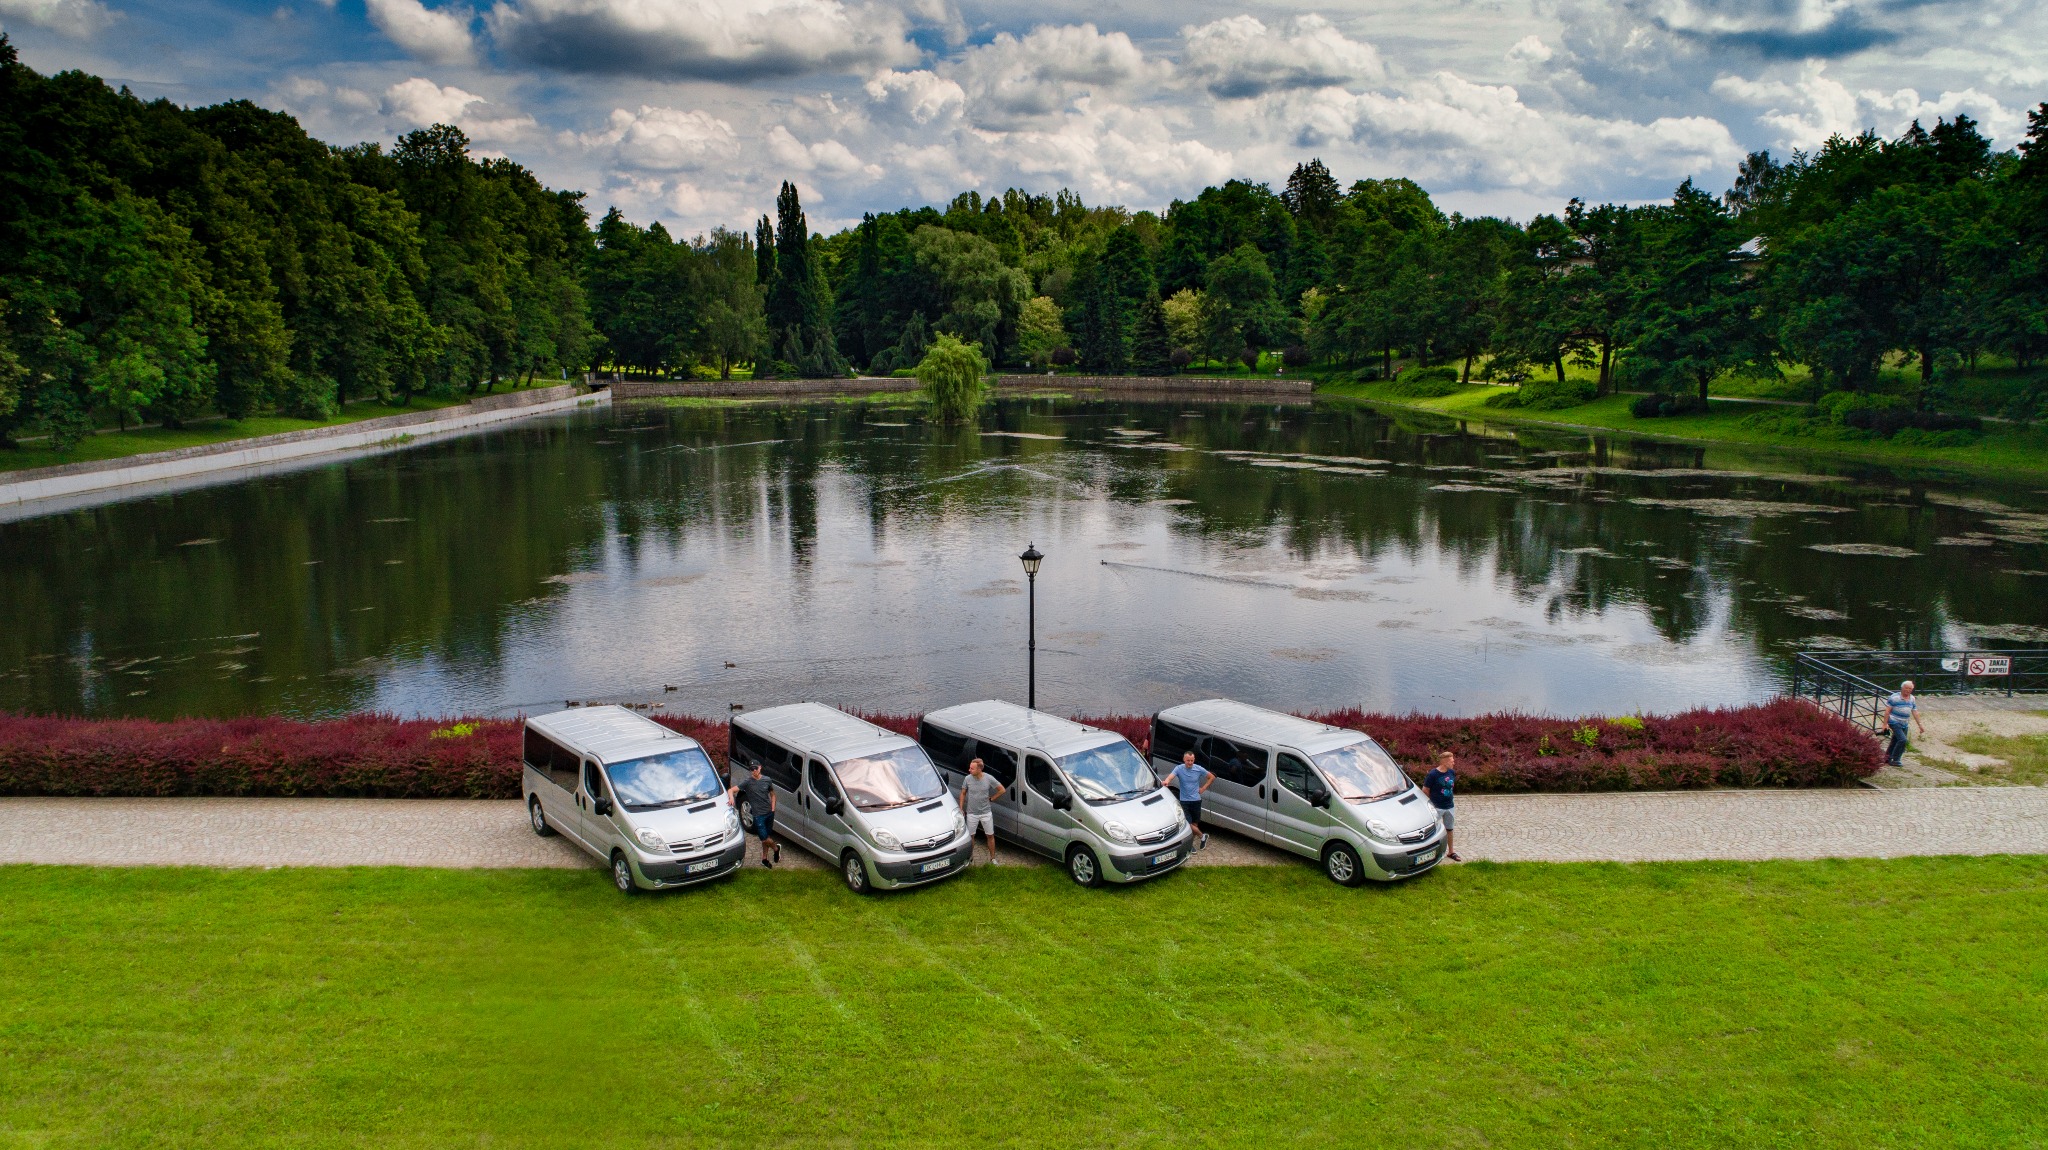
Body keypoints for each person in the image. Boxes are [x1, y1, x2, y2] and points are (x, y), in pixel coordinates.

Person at [729, 762, 780, 868]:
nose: (754, 771)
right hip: (758, 815)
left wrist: (773, 808)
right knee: (764, 838)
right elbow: (731, 790)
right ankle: (776, 849)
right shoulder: (747, 782)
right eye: (751, 769)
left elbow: (773, 794)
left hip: (769, 813)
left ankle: (764, 859)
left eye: (755, 768)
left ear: (760, 768)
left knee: (767, 836)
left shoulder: (767, 780)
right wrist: (731, 798)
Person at [1161, 750, 1215, 851]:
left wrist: (1203, 788)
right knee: (1187, 823)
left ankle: (1191, 845)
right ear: (1184, 760)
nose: (1190, 763)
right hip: (1185, 800)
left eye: (1192, 760)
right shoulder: (1179, 768)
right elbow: (1170, 777)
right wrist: (1166, 782)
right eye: (1188, 760)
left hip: (1196, 800)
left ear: (1194, 760)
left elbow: (1211, 777)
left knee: (1194, 824)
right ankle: (1202, 836)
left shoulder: (1198, 769)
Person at [958, 757, 1007, 866]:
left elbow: (1002, 789)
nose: (969, 770)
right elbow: (963, 793)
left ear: (979, 769)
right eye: (970, 768)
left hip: (986, 813)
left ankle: (993, 858)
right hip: (971, 813)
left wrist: (992, 798)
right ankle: (970, 857)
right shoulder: (967, 779)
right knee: (971, 836)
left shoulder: (989, 779)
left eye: (972, 769)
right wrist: (961, 808)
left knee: (990, 835)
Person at [1424, 751, 1460, 862]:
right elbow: (1425, 790)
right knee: (1433, 831)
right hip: (1437, 807)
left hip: (1449, 806)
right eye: (1451, 760)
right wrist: (1431, 804)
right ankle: (1430, 853)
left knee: (1450, 829)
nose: (1454, 762)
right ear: (1445, 762)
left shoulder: (1452, 772)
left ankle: (1451, 852)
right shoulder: (1433, 774)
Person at [1885, 680, 1926, 767]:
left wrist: (1920, 725)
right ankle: (1895, 759)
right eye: (1906, 688)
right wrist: (1885, 724)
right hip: (1894, 721)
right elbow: (1887, 711)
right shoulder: (1894, 697)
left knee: (1895, 740)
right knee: (1902, 740)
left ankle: (1887, 757)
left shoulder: (1912, 698)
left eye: (1910, 689)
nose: (1908, 690)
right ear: (1902, 688)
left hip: (1904, 722)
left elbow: (1915, 712)